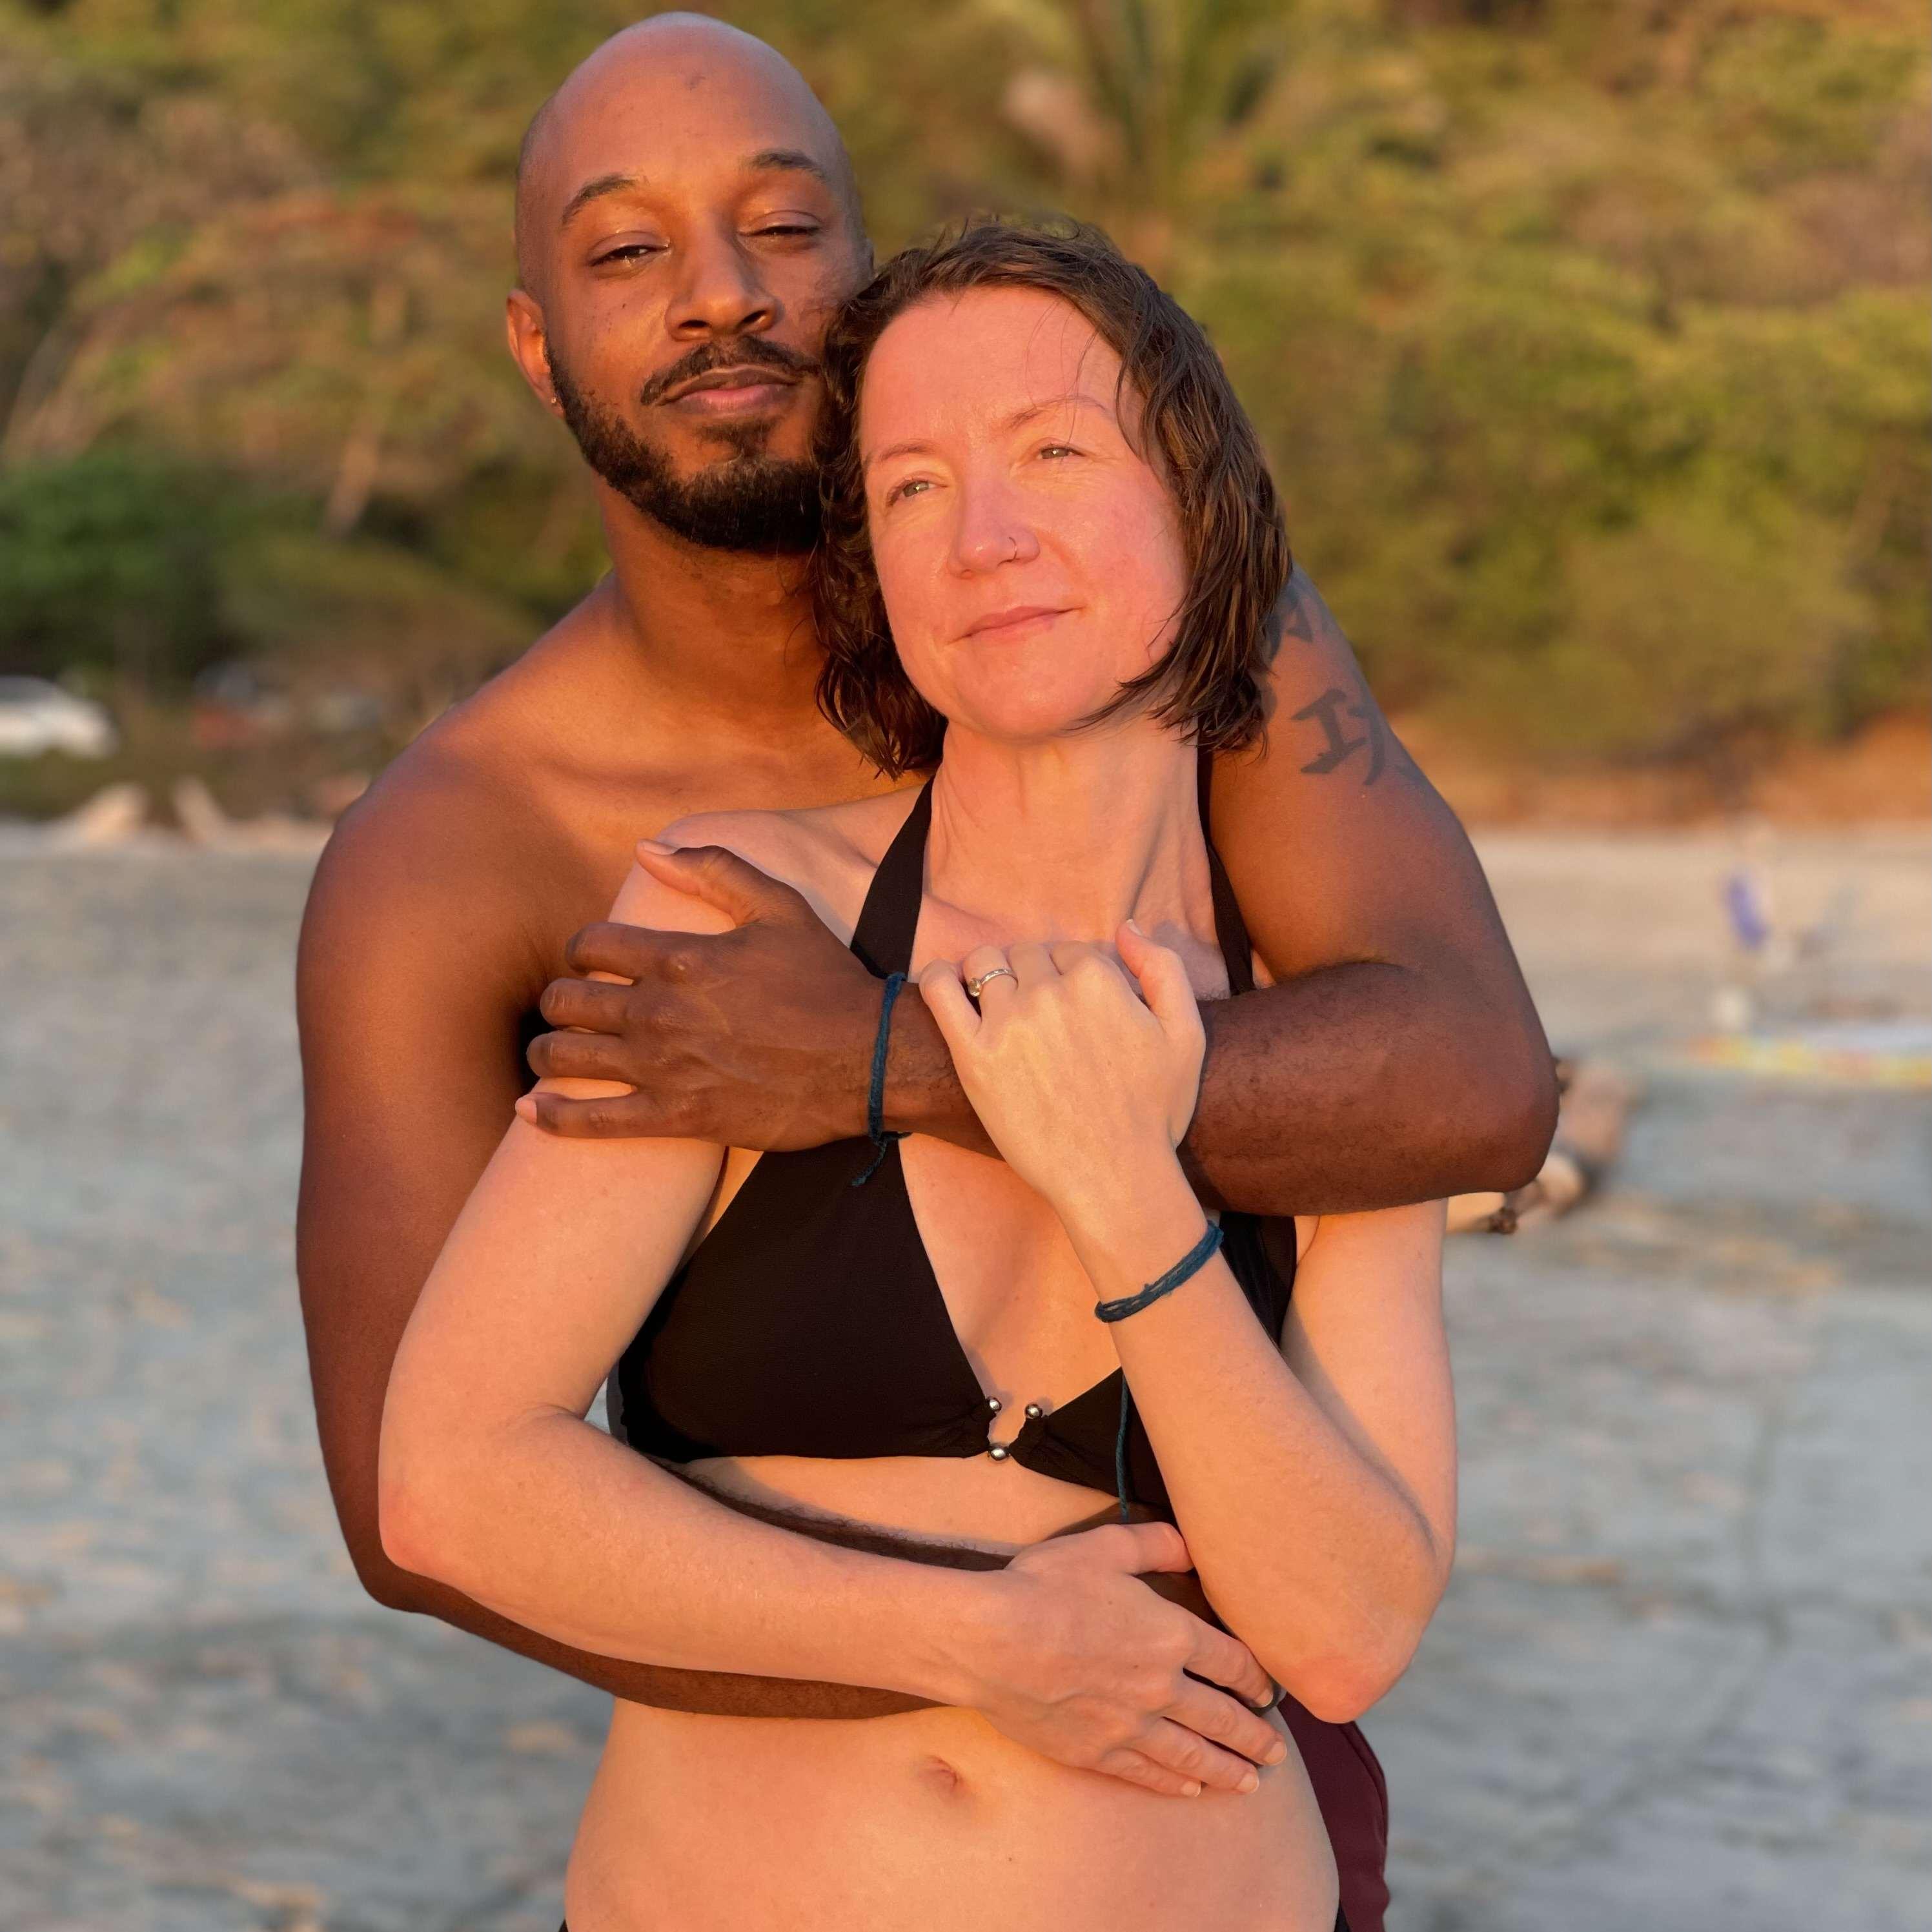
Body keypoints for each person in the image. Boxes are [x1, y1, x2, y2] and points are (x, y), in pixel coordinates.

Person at [294, 16, 1552, 1929]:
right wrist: (985, 1646)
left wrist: (899, 1063)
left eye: (779, 226)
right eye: (627, 250)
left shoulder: (1170, 627)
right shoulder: (491, 851)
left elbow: (1464, 1080)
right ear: (536, 343)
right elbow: (433, 1503)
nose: (719, 294)